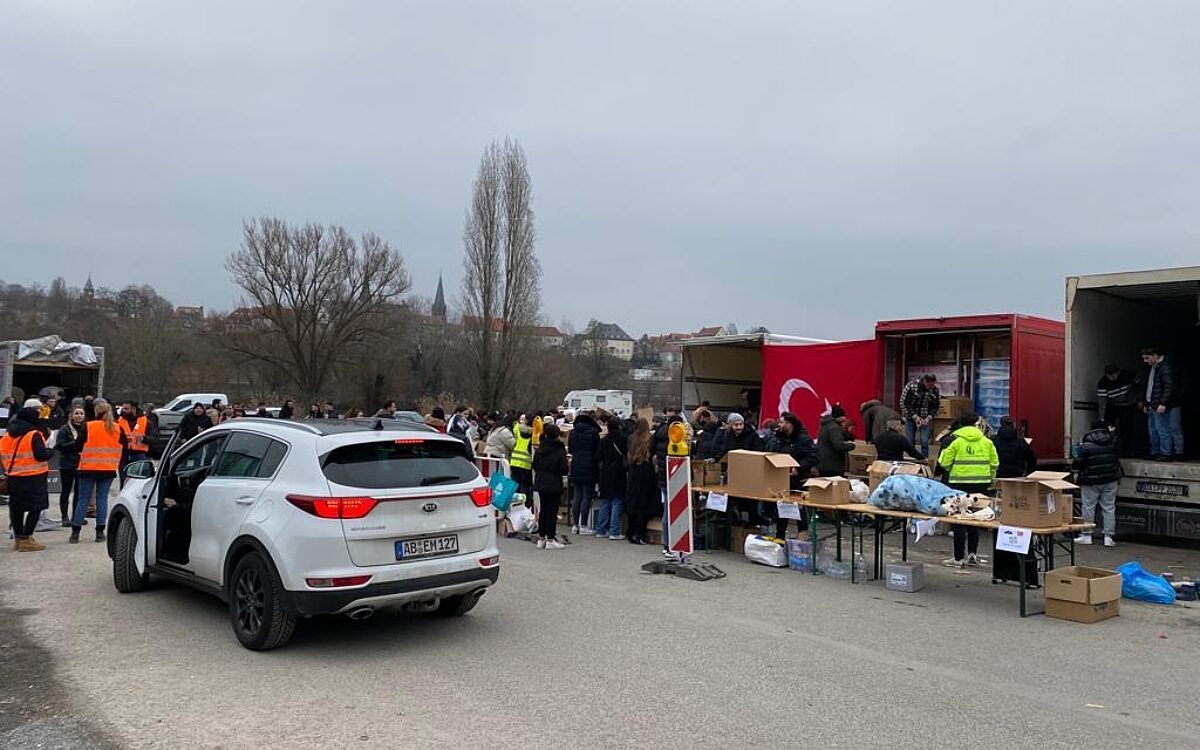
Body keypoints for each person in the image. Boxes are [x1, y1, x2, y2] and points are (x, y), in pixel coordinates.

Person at [937, 410, 999, 568]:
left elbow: (943, 462)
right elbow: (995, 464)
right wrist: (990, 479)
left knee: (959, 519)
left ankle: (958, 559)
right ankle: (972, 554)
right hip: (981, 484)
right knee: (976, 519)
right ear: (976, 424)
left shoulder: (954, 440)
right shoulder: (987, 441)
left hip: (958, 483)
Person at [72, 400, 126, 544]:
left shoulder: (89, 426)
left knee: (82, 499)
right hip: (107, 469)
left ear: (96, 412)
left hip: (88, 468)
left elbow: (78, 445)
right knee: (102, 499)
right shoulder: (117, 428)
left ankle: (75, 533)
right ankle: (100, 532)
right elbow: (125, 447)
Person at [2, 401, 53, 551]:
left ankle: (18, 538)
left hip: (13, 476)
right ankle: (26, 538)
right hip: (34, 477)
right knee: (36, 507)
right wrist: (51, 451)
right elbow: (41, 455)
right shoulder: (33, 435)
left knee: (16, 509)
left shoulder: (8, 435)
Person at [763, 412, 818, 537]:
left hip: (798, 479)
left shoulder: (803, 439)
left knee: (799, 510)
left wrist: (798, 467)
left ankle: (802, 536)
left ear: (789, 424)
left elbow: (814, 457)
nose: (779, 425)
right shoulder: (778, 439)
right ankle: (780, 537)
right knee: (782, 509)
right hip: (781, 479)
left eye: (782, 422)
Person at [1073, 420, 1120, 547]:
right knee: (1109, 507)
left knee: (1088, 506)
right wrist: (1112, 432)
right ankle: (1108, 537)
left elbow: (1077, 462)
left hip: (1090, 480)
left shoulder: (1085, 445)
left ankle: (1086, 535)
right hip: (1110, 479)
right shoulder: (1112, 442)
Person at [1141, 347, 1184, 460]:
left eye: (1147, 358)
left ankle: (1166, 453)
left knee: (1164, 428)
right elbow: (1150, 387)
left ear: (1155, 355)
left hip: (1161, 403)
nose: (1145, 361)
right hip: (1153, 403)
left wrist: (1163, 402)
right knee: (1154, 429)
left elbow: (1169, 386)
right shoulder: (1154, 368)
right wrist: (1146, 402)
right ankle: (1156, 451)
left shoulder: (1164, 367)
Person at [532, 423, 568, 550]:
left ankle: (541, 538)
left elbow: (535, 465)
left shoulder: (540, 449)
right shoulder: (559, 450)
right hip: (554, 482)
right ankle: (550, 539)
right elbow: (564, 469)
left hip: (541, 480)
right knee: (552, 512)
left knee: (543, 510)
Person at [625, 418, 660, 545]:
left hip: (633, 471)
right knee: (643, 503)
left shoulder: (630, 438)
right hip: (646, 471)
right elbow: (654, 456)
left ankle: (630, 532)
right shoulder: (651, 438)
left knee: (633, 502)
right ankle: (639, 533)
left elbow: (628, 454)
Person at [594, 415, 627, 540]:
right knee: (617, 502)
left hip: (605, 472)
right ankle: (614, 531)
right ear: (619, 426)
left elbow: (598, 457)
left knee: (605, 501)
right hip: (619, 472)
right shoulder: (623, 439)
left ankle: (601, 530)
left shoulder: (604, 440)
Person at [567, 411, 601, 534]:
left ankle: (575, 524)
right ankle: (584, 525)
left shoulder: (572, 433)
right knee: (586, 496)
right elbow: (598, 451)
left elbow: (570, 449)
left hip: (576, 465)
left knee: (577, 496)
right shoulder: (593, 433)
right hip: (589, 466)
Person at [1096, 364, 1140, 455]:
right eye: (1109, 376)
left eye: (1113, 375)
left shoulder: (1128, 376)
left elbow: (1140, 386)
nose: (1111, 378)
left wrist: (1139, 400)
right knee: (1110, 428)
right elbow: (1102, 402)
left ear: (1118, 373)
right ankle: (1110, 450)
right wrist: (1102, 418)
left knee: (1126, 428)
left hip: (1128, 405)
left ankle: (1126, 451)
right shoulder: (1103, 382)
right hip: (1113, 405)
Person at [55, 406, 87, 527]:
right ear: (71, 415)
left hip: (82, 464)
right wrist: (76, 443)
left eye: (81, 413)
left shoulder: (86, 428)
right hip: (67, 463)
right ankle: (64, 517)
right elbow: (60, 446)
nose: (79, 416)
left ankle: (76, 516)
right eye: (76, 413)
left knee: (79, 493)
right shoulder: (65, 429)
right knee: (66, 491)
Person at [900, 374, 941, 457]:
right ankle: (912, 459)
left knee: (925, 441)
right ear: (924, 381)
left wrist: (930, 416)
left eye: (933, 385)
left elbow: (936, 406)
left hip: (925, 416)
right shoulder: (911, 386)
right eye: (929, 385)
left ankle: (924, 459)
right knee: (910, 440)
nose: (931, 387)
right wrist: (915, 416)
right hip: (910, 416)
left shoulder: (935, 390)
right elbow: (904, 403)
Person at [816, 405, 856, 476]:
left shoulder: (825, 425)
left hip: (823, 465)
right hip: (833, 466)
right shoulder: (834, 428)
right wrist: (852, 445)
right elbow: (839, 445)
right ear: (840, 417)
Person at [509, 417, 535, 507]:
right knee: (525, 486)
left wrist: (520, 422)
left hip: (514, 461)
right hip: (526, 463)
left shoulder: (518, 429)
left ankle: (514, 504)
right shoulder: (534, 434)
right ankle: (524, 505)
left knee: (515, 485)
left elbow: (515, 427)